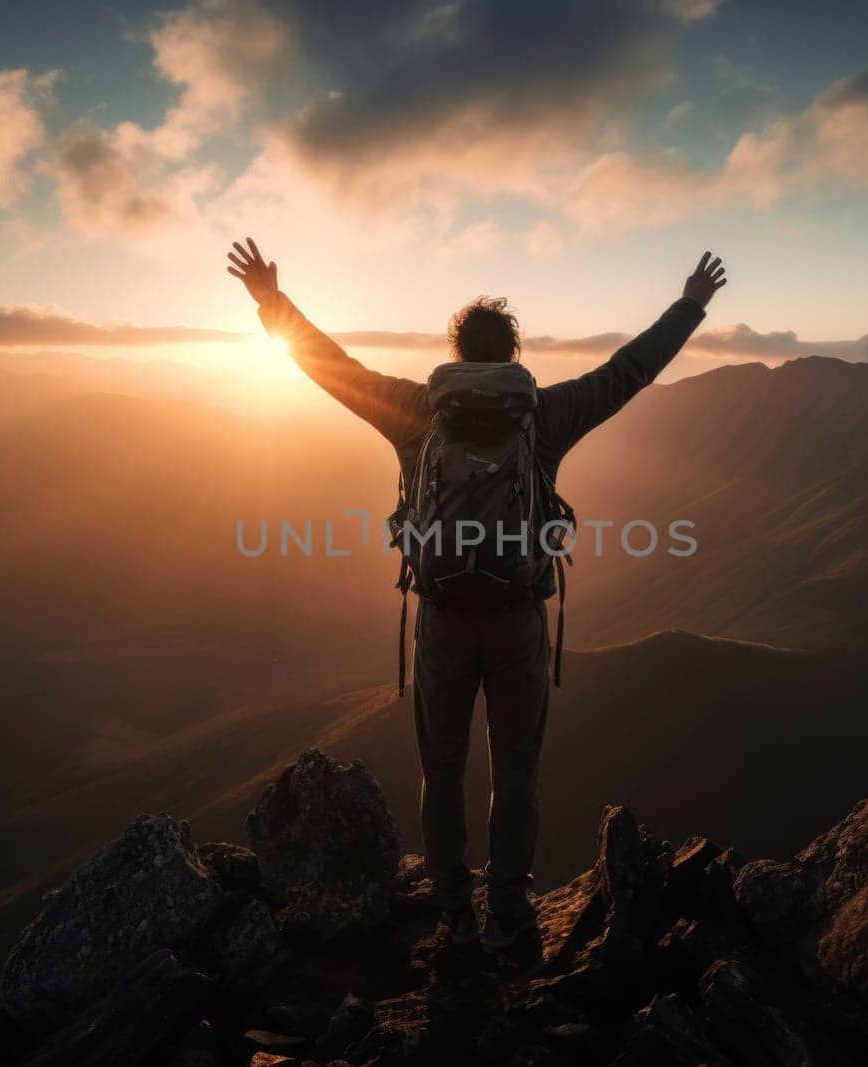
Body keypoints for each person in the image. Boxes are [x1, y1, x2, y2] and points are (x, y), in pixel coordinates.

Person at [226, 238, 724, 950]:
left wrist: (270, 301)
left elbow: (332, 368)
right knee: (516, 773)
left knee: (443, 770)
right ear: (513, 355)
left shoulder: (415, 412)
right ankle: (512, 915)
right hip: (519, 621)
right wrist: (691, 303)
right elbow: (629, 372)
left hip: (443, 621)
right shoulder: (544, 416)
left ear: (457, 354)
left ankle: (456, 916)